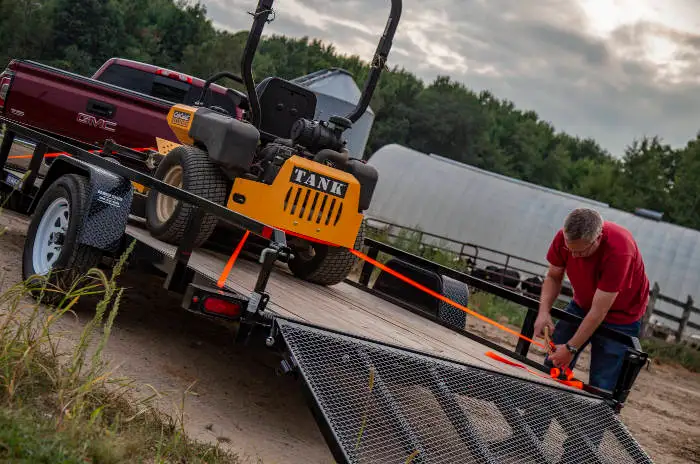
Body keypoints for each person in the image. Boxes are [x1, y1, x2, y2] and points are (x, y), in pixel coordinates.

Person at [534, 207, 650, 392]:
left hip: (620, 317)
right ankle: (537, 415)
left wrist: (571, 349)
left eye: (580, 252)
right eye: (569, 249)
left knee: (603, 385)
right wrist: (543, 312)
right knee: (553, 365)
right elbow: (554, 276)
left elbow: (599, 311)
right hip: (582, 304)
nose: (573, 256)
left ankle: (598, 415)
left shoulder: (620, 250)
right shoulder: (564, 238)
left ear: (597, 238)